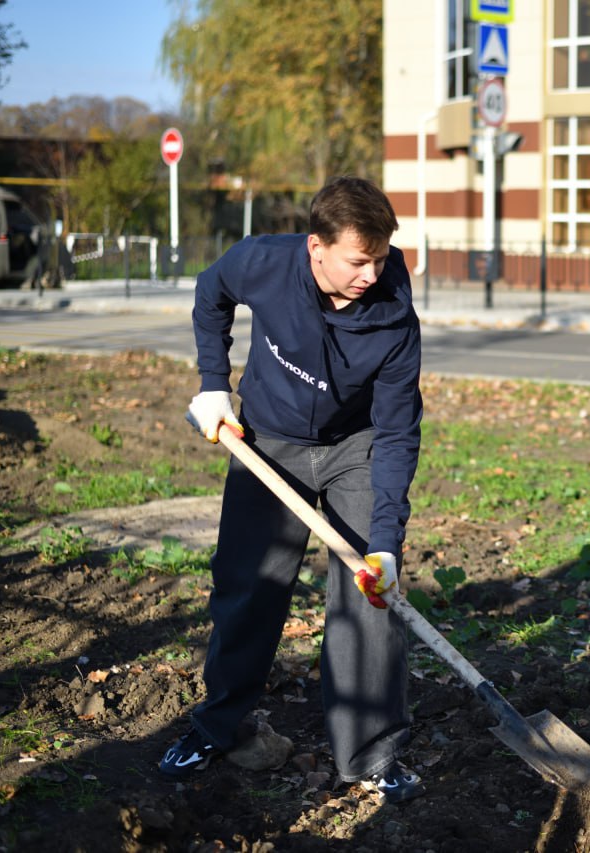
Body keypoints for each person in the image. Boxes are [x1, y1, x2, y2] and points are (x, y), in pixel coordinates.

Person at [158, 176, 425, 804]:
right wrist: (212, 382)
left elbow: (395, 436)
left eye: (381, 258)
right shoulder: (265, 261)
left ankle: (370, 753)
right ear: (316, 248)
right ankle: (221, 726)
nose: (371, 273)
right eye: (359, 260)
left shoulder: (393, 322)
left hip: (355, 448)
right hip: (268, 441)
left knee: (368, 596)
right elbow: (210, 291)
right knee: (248, 585)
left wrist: (385, 544)